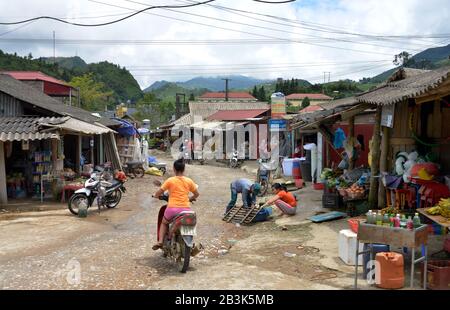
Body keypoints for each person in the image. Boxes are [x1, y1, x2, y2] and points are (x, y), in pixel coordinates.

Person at [152, 159, 199, 250]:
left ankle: (160, 242)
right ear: (184, 169)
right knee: (189, 223)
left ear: (174, 169)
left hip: (172, 209)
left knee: (164, 223)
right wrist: (190, 198)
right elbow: (197, 194)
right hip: (186, 210)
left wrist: (155, 195)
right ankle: (189, 244)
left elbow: (160, 192)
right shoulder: (189, 181)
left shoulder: (170, 180)